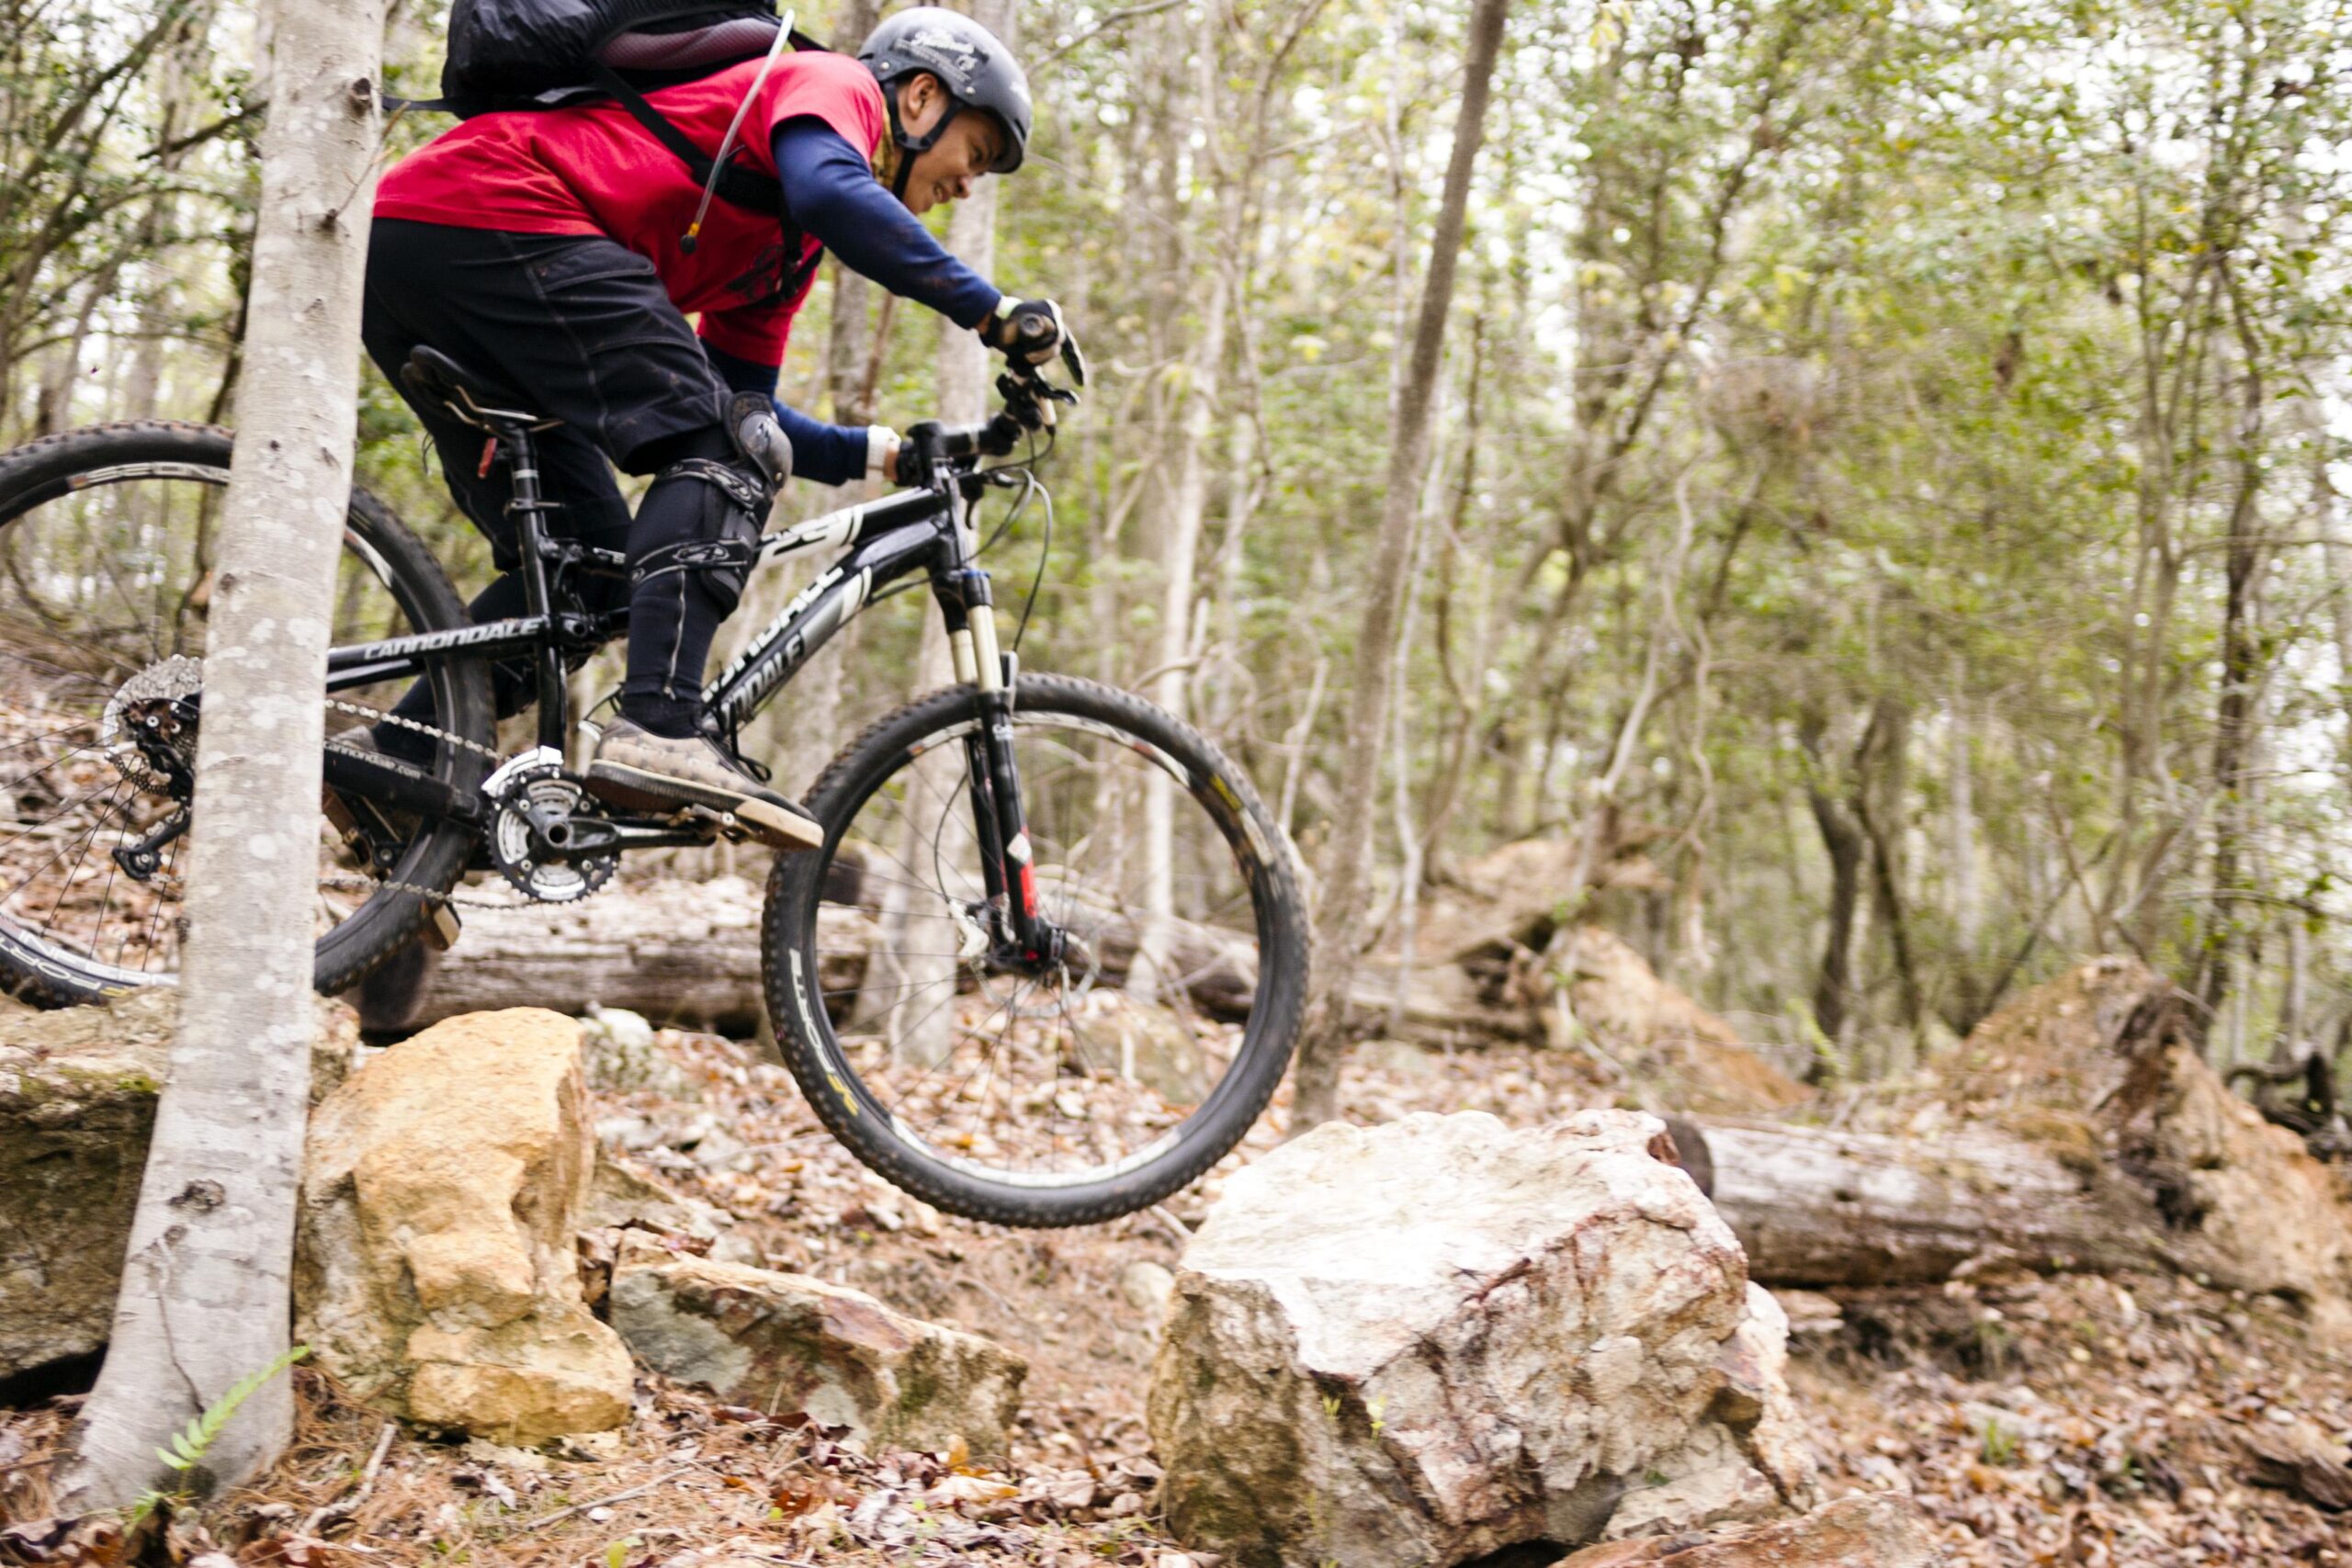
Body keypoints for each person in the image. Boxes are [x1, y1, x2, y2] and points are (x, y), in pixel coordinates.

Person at [346, 7, 1068, 848]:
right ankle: (660, 728)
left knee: (597, 577)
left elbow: (739, 408)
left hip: (420, 246)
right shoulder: (831, 86)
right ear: (917, 99)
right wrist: (992, 312)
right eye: (974, 154)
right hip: (498, 214)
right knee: (726, 452)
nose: (967, 185)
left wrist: (890, 454)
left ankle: (394, 760)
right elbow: (833, 190)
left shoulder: (780, 254)